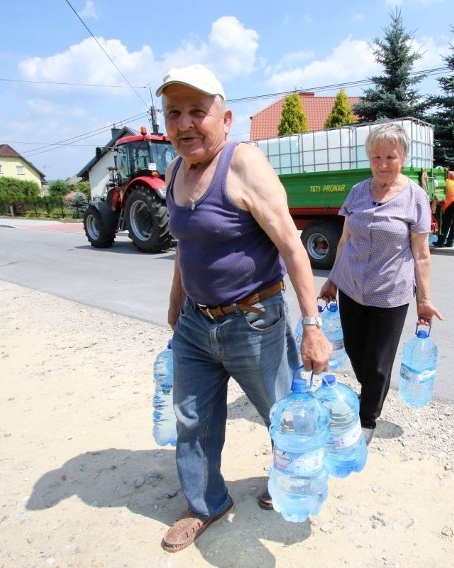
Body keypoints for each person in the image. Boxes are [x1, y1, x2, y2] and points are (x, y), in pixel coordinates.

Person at [156, 64, 332, 553]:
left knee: (281, 413)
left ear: (225, 118)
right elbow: (184, 245)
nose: (185, 123)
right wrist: (176, 306)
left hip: (255, 321)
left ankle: (291, 479)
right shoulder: (175, 171)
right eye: (174, 113)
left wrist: (313, 327)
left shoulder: (243, 164)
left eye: (197, 111)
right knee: (191, 418)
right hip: (196, 322)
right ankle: (206, 504)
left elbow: (294, 250)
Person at [319, 122, 443, 446]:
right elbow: (344, 240)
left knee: (377, 364)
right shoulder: (358, 191)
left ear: (402, 157)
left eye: (390, 156)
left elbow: (422, 254)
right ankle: (371, 394)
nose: (383, 164)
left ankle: (366, 419)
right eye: (376, 157)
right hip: (350, 287)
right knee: (357, 353)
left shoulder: (415, 197)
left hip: (390, 293)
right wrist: (332, 280)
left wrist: (425, 300)